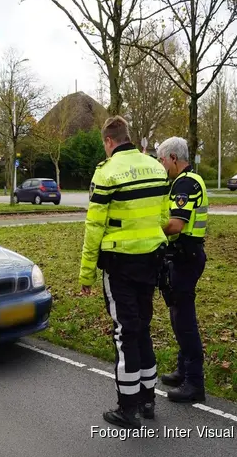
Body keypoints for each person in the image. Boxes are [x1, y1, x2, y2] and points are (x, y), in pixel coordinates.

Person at [78, 116, 170, 428]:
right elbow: (163, 216)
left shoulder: (106, 174)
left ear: (108, 141)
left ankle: (126, 408)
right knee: (142, 327)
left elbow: (94, 228)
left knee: (125, 333)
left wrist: (86, 274)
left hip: (120, 265)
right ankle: (148, 400)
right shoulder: (156, 167)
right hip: (151, 260)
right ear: (128, 136)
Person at [156, 137, 208, 403]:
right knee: (179, 316)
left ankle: (194, 383)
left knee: (184, 320)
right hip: (185, 257)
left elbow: (175, 225)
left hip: (186, 259)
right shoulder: (185, 180)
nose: (161, 165)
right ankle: (183, 370)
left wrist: (149, 228)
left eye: (162, 160)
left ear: (173, 158)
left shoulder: (184, 184)